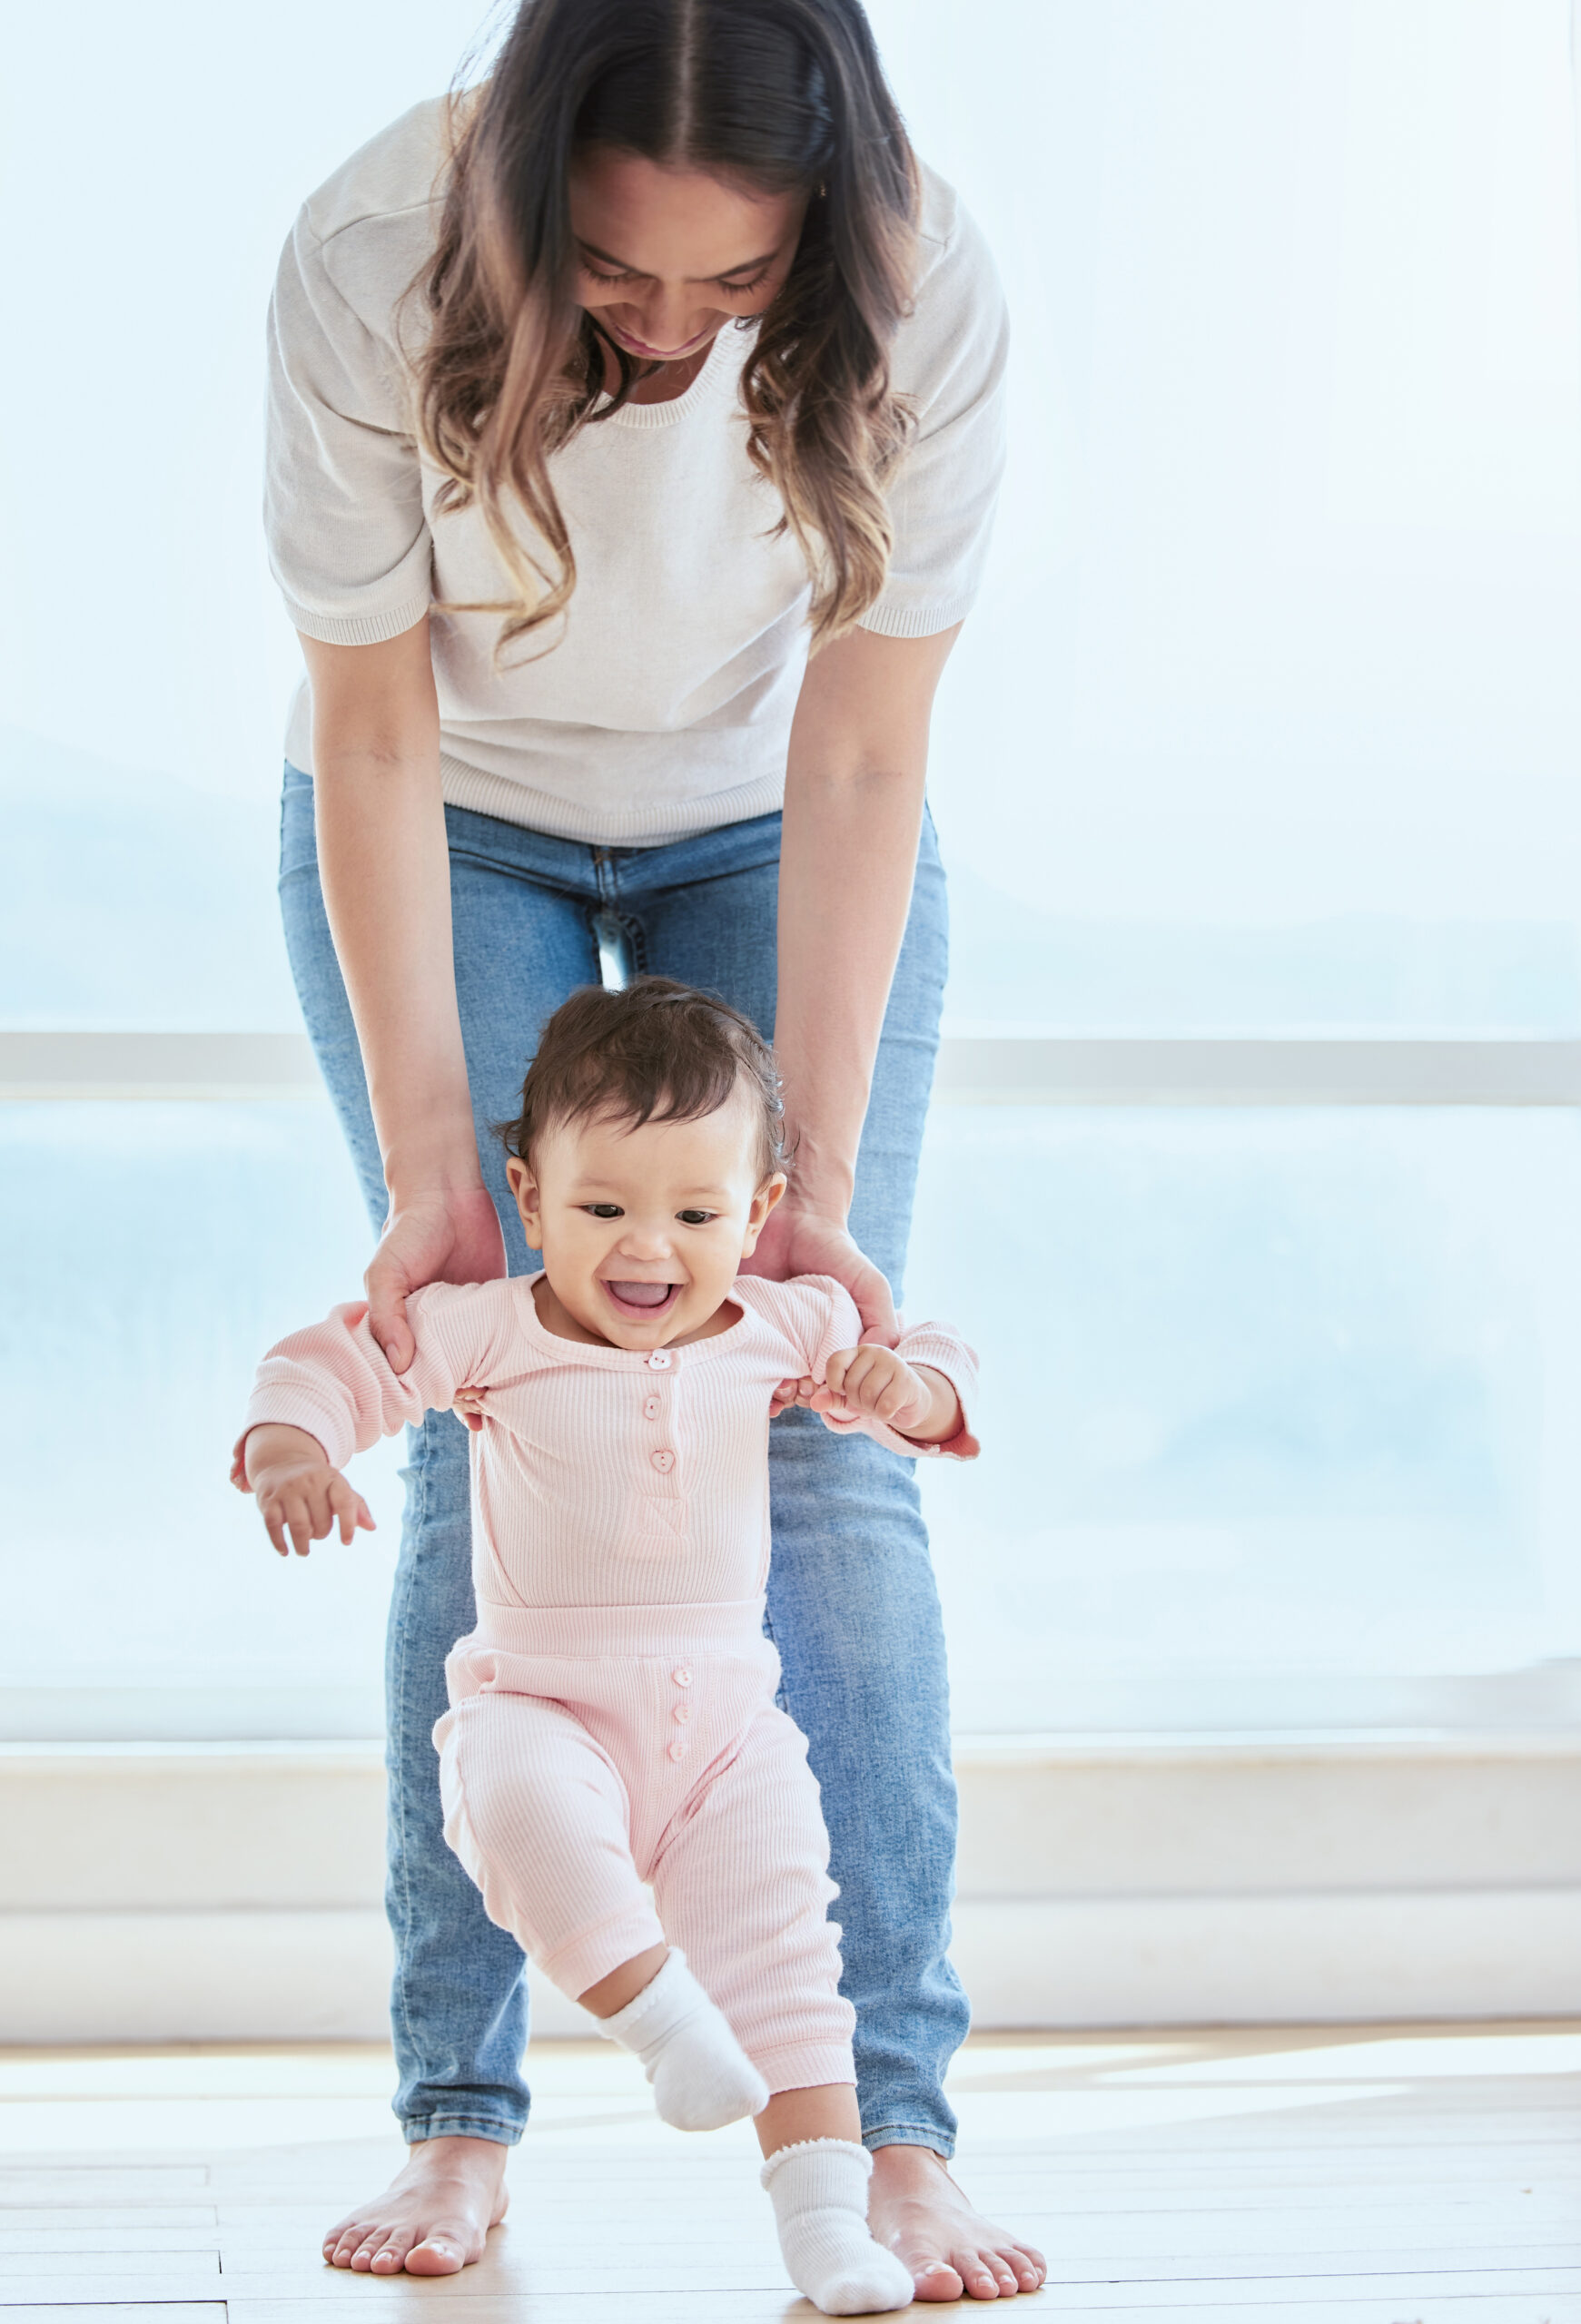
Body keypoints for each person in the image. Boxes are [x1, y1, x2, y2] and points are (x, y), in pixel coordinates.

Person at [267, 0, 1043, 2297]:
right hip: (454, 814)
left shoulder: (923, 284)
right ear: (523, 194)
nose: (680, 336)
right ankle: (462, 2114)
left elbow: (866, 750)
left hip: (762, 820)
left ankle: (887, 2133)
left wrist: (796, 1174)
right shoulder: (371, 247)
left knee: (823, 1423)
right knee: (478, 1385)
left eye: (736, 285)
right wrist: (438, 1169)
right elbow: (376, 727)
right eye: (617, 278)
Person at [237, 980, 980, 2316]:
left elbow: (927, 1361)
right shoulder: (489, 1332)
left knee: (786, 1962)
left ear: (758, 1216)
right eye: (601, 1210)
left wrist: (906, 1388)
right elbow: (341, 1361)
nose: (649, 1249)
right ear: (526, 1199)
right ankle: (657, 2026)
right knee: (512, 1807)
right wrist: (294, 1441)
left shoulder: (782, 1325)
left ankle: (825, 2226)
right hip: (539, 1702)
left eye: (696, 1215)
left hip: (725, 1734)